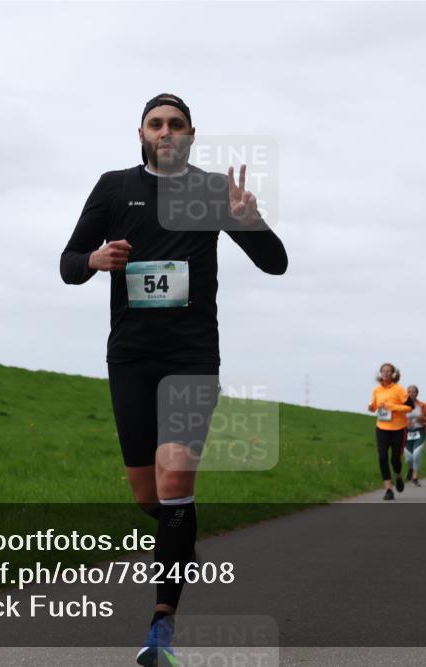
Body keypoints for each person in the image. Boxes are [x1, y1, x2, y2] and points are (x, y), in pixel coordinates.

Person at [60, 93, 287, 666]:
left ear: (191, 134)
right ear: (141, 132)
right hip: (131, 358)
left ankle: (162, 625)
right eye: (156, 124)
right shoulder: (113, 186)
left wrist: (249, 220)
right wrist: (94, 261)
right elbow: (67, 263)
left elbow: (275, 262)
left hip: (192, 356)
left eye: (176, 124)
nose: (166, 132)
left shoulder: (213, 191)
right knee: (149, 492)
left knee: (176, 465)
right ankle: (179, 536)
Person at [367, 363, 415, 499]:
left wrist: (392, 407)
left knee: (395, 458)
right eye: (383, 371)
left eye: (389, 371)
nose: (386, 373)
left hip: (398, 429)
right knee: (382, 457)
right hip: (382, 427)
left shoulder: (399, 389)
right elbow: (375, 406)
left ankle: (398, 476)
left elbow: (410, 407)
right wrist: (371, 407)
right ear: (380, 373)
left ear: (393, 374)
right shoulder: (377, 390)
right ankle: (388, 489)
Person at [403, 384, 426, 486]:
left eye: (413, 392)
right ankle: (410, 468)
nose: (411, 394)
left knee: (416, 455)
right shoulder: (402, 405)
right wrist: (405, 422)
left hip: (419, 432)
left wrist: (423, 419)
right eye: (409, 392)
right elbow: (397, 418)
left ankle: (415, 478)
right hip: (406, 433)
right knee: (408, 458)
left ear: (417, 393)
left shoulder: (422, 406)